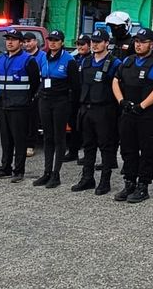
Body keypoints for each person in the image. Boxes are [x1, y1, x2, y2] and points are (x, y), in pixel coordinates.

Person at [112, 28, 153, 203]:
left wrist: (142, 106)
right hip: (128, 112)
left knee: (148, 150)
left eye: (142, 42)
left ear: (151, 44)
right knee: (128, 149)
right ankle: (129, 182)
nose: (138, 45)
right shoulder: (128, 60)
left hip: (148, 114)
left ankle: (143, 185)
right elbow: (115, 80)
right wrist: (121, 101)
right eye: (136, 41)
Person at [0, 29, 40, 183]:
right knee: (6, 140)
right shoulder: (1, 59)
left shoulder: (28, 60)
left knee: (19, 140)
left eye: (13, 39)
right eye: (8, 39)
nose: (10, 42)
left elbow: (35, 83)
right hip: (4, 105)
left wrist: (26, 99)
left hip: (20, 106)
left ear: (21, 42)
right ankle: (5, 167)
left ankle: (18, 170)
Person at [74, 30, 121, 195]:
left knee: (106, 147)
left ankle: (105, 181)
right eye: (93, 41)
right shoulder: (86, 61)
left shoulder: (115, 63)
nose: (94, 44)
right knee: (88, 145)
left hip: (104, 109)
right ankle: (87, 178)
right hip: (87, 108)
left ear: (107, 43)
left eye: (98, 41)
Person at [33, 30, 78, 189]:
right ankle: (46, 172)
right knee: (47, 137)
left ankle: (56, 174)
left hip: (61, 102)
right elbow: (40, 79)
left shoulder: (69, 60)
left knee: (59, 137)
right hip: (45, 100)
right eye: (50, 40)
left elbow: (75, 86)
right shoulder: (43, 57)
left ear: (62, 42)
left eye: (56, 40)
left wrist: (71, 106)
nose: (52, 43)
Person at [66, 34, 92, 162]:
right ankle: (73, 152)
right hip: (74, 97)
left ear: (89, 45)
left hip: (86, 98)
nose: (80, 47)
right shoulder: (74, 59)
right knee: (73, 124)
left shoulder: (92, 59)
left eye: (82, 44)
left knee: (86, 127)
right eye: (78, 44)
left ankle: (88, 155)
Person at [22, 31, 43, 158]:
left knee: (32, 120)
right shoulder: (22, 56)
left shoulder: (42, 56)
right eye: (24, 42)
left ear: (35, 41)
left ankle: (30, 145)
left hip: (37, 92)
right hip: (23, 92)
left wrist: (37, 93)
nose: (27, 44)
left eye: (29, 41)